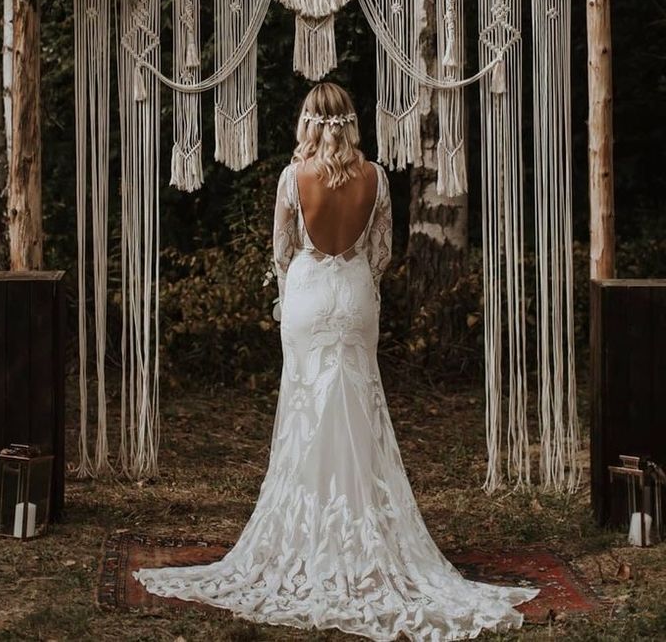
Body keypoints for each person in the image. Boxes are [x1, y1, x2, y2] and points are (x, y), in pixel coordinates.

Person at [132, 81, 540, 640]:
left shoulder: (292, 178)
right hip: (353, 298)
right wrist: (357, 285)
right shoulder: (374, 178)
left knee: (304, 412)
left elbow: (281, 251)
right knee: (359, 414)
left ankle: (307, 531)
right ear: (351, 123)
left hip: (305, 299)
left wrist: (294, 289)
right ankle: (365, 526)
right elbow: (381, 253)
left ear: (308, 123)